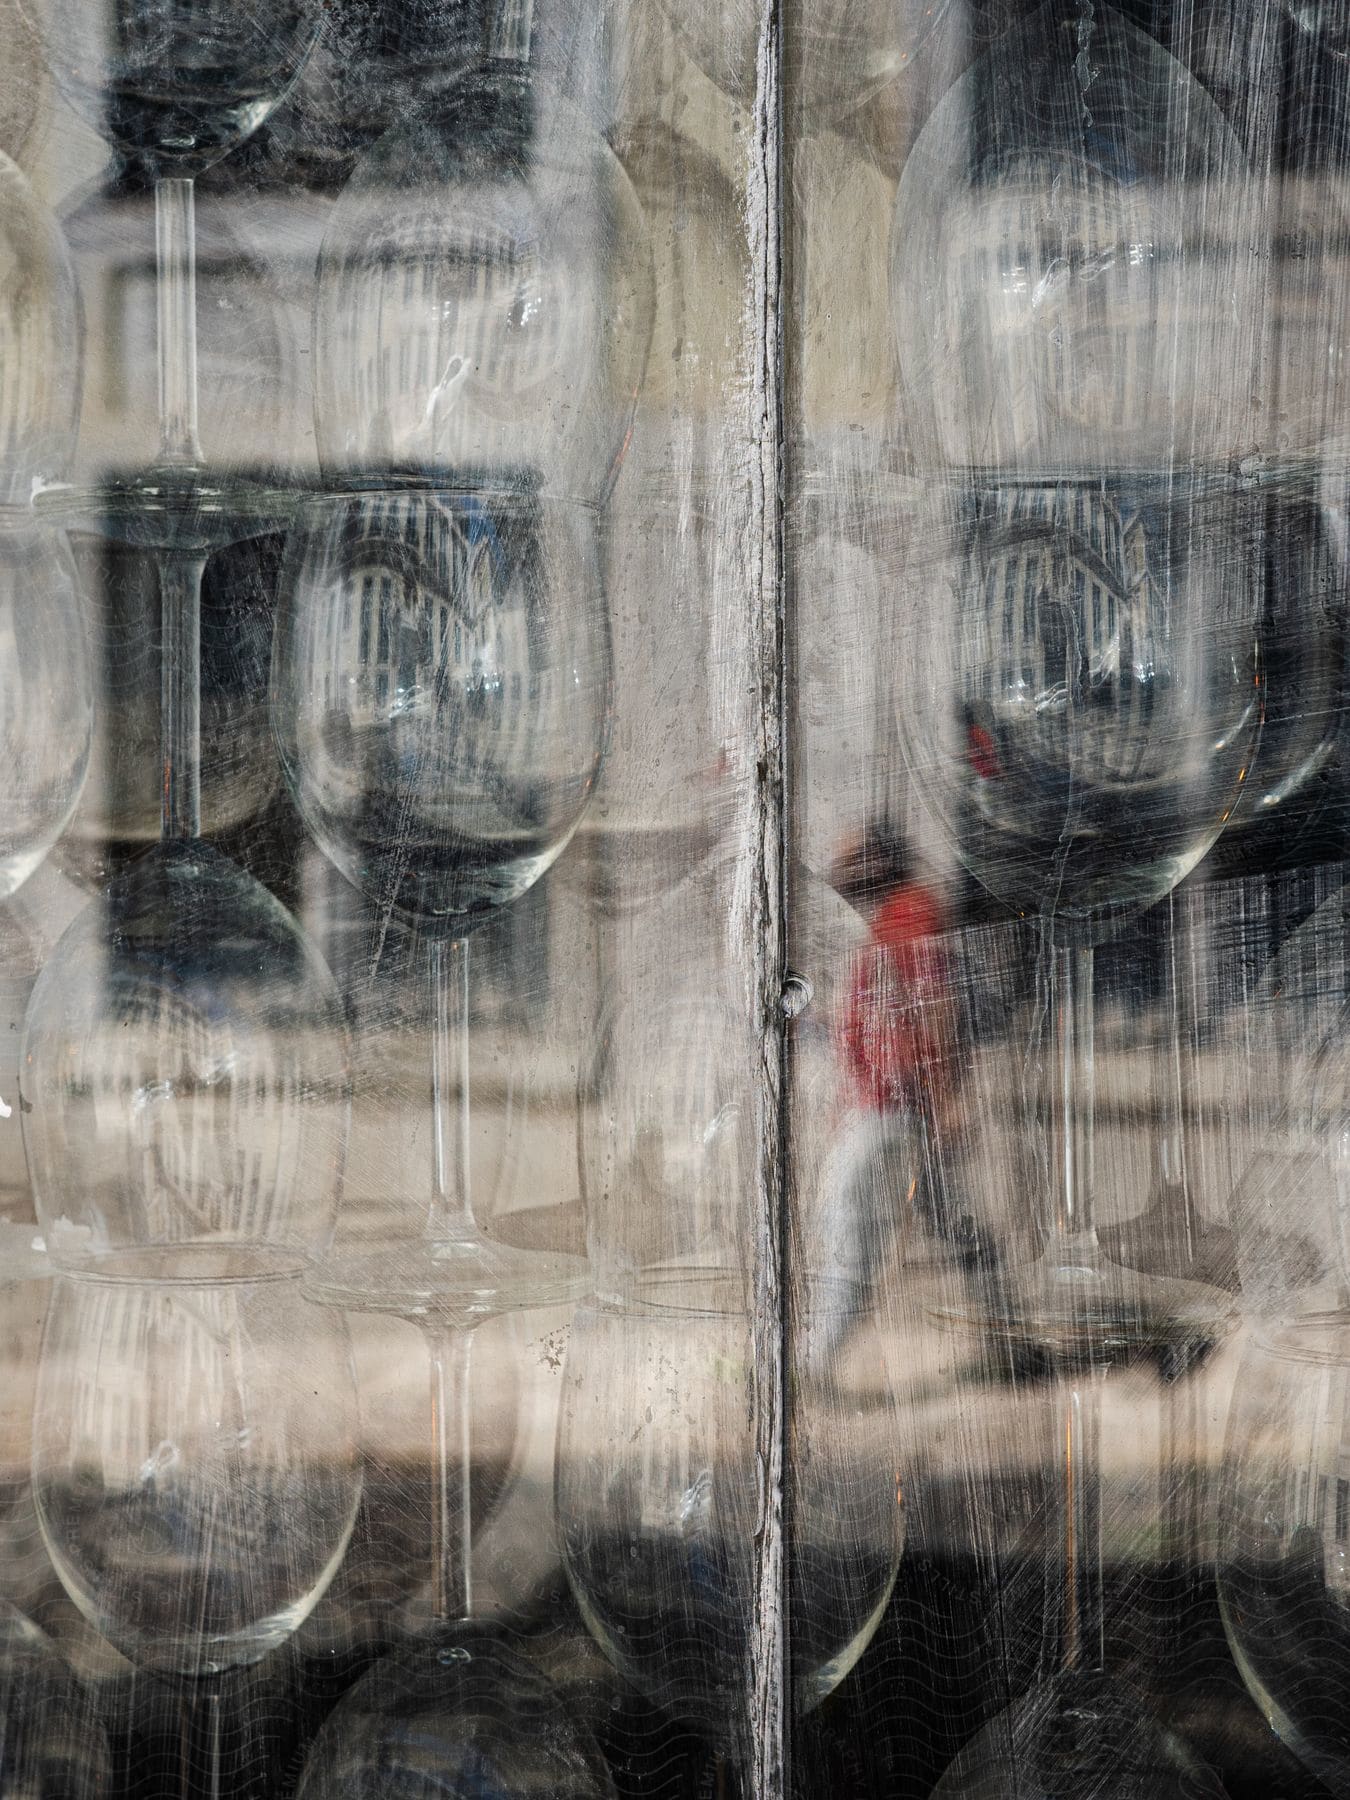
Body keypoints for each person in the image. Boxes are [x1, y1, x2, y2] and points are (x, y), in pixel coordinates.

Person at [809, 823, 974, 1374]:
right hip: (886, 1102)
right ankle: (1008, 1336)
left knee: (848, 1218)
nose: (838, 873)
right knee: (951, 1222)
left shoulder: (910, 915)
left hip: (894, 1104)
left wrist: (943, 1094)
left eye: (851, 859)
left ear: (878, 860)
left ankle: (815, 1359)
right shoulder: (891, 917)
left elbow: (932, 1009)